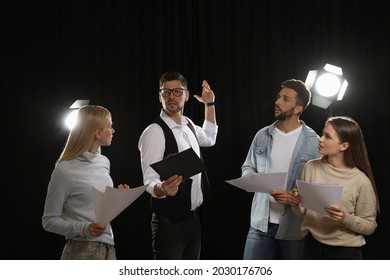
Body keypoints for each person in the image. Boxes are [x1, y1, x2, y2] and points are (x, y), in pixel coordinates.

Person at [138, 71, 218, 259]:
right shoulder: (154, 132)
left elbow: (210, 138)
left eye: (177, 92)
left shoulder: (188, 124)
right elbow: (149, 180)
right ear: (160, 96)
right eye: (166, 92)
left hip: (193, 218)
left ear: (187, 95)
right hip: (169, 223)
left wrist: (209, 104)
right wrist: (161, 189)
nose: (171, 97)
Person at [242, 79, 322, 260]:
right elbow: (247, 167)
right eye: (279, 97)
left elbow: (319, 187)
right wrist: (255, 181)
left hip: (295, 229)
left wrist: (295, 197)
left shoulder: (313, 141)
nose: (277, 102)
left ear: (298, 108)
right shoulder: (262, 135)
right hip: (259, 225)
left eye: (285, 99)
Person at [42, 105, 129, 260]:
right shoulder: (64, 170)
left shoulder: (104, 162)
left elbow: (95, 209)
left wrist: (117, 199)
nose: (113, 130)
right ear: (98, 132)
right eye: (109, 126)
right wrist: (85, 229)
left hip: (109, 250)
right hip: (81, 251)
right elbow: (49, 221)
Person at [289, 116, 379, 259]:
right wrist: (295, 202)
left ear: (344, 146)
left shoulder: (361, 181)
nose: (320, 139)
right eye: (323, 133)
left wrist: (345, 218)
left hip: (344, 253)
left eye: (327, 137)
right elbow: (302, 212)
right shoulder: (311, 167)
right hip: (311, 247)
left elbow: (369, 226)